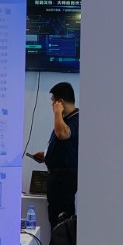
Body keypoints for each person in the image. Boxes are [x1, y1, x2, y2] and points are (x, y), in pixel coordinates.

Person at [28, 82, 80, 226]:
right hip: (56, 179)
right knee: (54, 219)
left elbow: (62, 134)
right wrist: (47, 156)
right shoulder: (64, 120)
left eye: (53, 101)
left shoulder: (76, 119)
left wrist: (57, 112)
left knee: (61, 222)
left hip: (65, 179)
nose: (52, 105)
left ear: (60, 102)